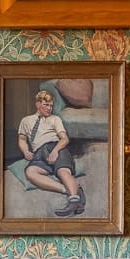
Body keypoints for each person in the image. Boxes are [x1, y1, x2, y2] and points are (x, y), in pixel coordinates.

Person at [16, 87, 85, 216]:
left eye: (51, 106)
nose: (49, 108)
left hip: (55, 147)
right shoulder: (26, 121)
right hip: (39, 153)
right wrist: (25, 151)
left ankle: (73, 201)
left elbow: (64, 139)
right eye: (46, 105)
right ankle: (72, 190)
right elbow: (22, 139)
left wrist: (55, 151)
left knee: (63, 171)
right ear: (37, 104)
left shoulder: (55, 119)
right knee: (30, 172)